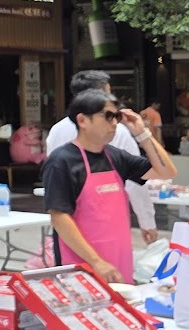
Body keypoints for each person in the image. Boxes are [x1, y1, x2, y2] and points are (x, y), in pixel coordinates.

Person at [42, 90, 176, 284]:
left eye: (117, 117)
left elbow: (166, 172)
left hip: (119, 262)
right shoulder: (61, 161)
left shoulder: (115, 157)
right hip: (82, 267)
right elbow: (59, 217)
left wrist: (143, 134)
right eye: (108, 116)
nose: (114, 123)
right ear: (82, 120)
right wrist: (97, 262)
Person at [46, 70, 161, 246]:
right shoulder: (118, 131)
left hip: (68, 227)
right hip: (106, 224)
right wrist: (147, 221)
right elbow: (136, 183)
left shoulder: (57, 130)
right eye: (108, 94)